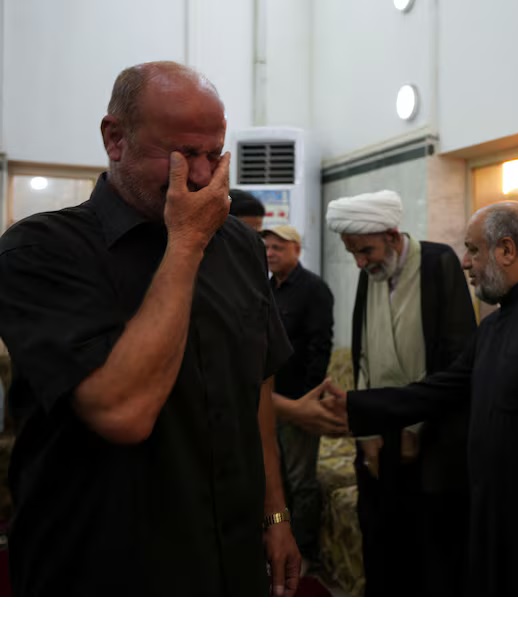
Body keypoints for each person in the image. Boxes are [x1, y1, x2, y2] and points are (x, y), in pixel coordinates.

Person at [0, 61, 300, 595]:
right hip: (106, 561)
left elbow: (254, 385)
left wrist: (275, 514)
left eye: (214, 154)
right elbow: (124, 412)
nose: (204, 177)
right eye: (184, 155)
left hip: (230, 554)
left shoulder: (241, 247)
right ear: (115, 139)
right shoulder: (40, 250)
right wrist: (185, 243)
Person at [317, 202, 518, 595]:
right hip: (486, 507)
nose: (466, 262)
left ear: (506, 250)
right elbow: (437, 391)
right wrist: (352, 405)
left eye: (473, 250)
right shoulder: (492, 326)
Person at [326, 190, 476, 595]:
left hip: (431, 434)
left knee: (428, 554)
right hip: (376, 427)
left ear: (393, 236)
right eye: (352, 252)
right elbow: (362, 355)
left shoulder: (437, 262)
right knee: (380, 543)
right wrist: (367, 433)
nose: (359, 262)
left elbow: (455, 357)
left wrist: (414, 427)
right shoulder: (370, 273)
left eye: (365, 250)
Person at [258, 224, 335, 566]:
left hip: (299, 401)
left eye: (279, 247)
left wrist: (307, 401)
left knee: (301, 480)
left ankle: (305, 552)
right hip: (269, 402)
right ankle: (279, 540)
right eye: (268, 247)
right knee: (274, 474)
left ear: (297, 250)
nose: (271, 253)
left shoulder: (314, 289)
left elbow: (320, 347)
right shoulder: (268, 288)